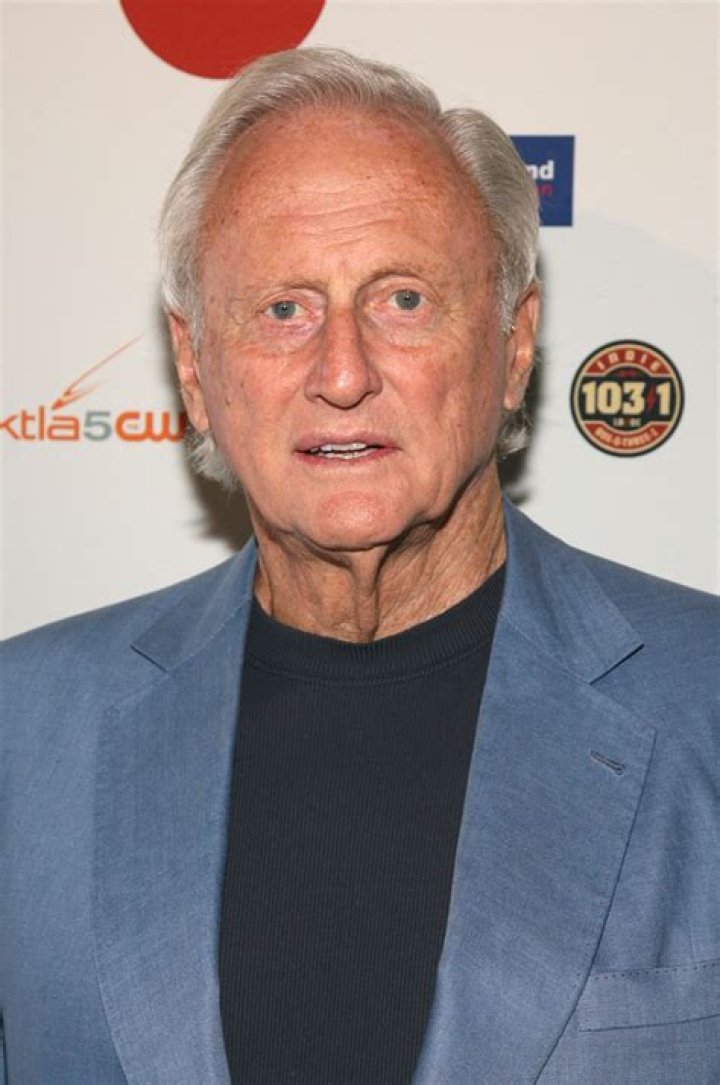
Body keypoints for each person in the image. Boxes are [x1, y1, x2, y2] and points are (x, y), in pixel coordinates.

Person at [1, 47, 718, 1085]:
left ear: (515, 343)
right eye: (283, 309)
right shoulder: (23, 733)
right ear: (195, 367)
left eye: (403, 299)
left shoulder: (704, 700)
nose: (341, 372)